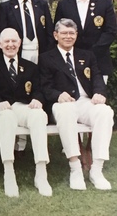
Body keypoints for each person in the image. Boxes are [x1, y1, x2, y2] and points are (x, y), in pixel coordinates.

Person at [39, 18, 113, 190]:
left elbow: (97, 78)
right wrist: (58, 95)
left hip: (86, 102)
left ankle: (97, 170)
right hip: (63, 103)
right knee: (65, 112)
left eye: (71, 33)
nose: (68, 36)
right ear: (55, 35)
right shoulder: (46, 58)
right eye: (64, 33)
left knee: (105, 112)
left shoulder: (87, 55)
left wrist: (99, 94)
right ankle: (75, 168)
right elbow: (45, 87)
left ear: (76, 35)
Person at [0, 28, 52, 197]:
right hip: (3, 109)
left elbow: (39, 89)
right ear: (0, 44)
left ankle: (41, 173)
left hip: (23, 108)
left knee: (39, 115)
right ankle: (9, 172)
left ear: (20, 43)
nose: (10, 45)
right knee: (7, 118)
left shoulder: (30, 67)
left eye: (14, 41)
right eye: (6, 41)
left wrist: (38, 99)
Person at [54, 0, 117, 81]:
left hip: (99, 60)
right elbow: (58, 32)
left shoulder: (104, 3)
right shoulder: (64, 5)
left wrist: (92, 52)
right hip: (71, 60)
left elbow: (111, 31)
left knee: (98, 96)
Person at [0, 0, 54, 64]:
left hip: (41, 54)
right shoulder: (5, 8)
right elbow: (0, 36)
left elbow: (50, 33)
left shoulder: (42, 5)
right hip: (18, 54)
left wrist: (48, 55)